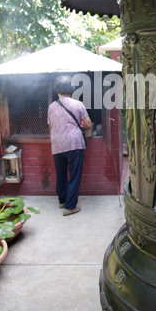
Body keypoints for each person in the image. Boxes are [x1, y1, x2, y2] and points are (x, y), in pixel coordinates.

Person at [47, 75, 92, 216]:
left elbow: (51, 126)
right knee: (74, 175)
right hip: (74, 143)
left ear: (57, 90)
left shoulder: (51, 107)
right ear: (71, 90)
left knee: (61, 174)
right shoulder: (78, 104)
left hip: (57, 144)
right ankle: (70, 207)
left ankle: (62, 201)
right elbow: (88, 124)